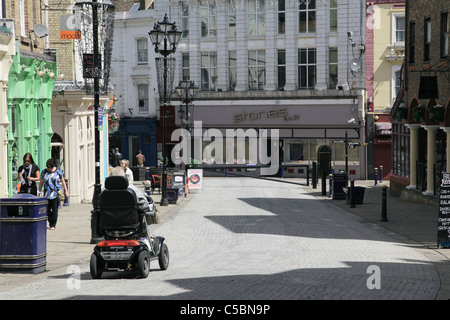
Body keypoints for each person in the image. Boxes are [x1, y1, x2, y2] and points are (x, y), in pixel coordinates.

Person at [109, 166, 152, 250]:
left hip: (109, 229)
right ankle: (145, 241)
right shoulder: (132, 189)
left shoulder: (104, 191)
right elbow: (144, 204)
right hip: (130, 227)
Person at [38, 158, 68, 230]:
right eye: (48, 167)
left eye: (50, 167)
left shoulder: (58, 172)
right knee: (47, 210)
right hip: (46, 193)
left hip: (55, 193)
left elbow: (63, 181)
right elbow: (41, 182)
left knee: (55, 210)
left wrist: (66, 191)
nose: (49, 169)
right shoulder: (44, 172)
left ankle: (53, 224)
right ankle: (50, 220)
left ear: (53, 166)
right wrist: (39, 191)